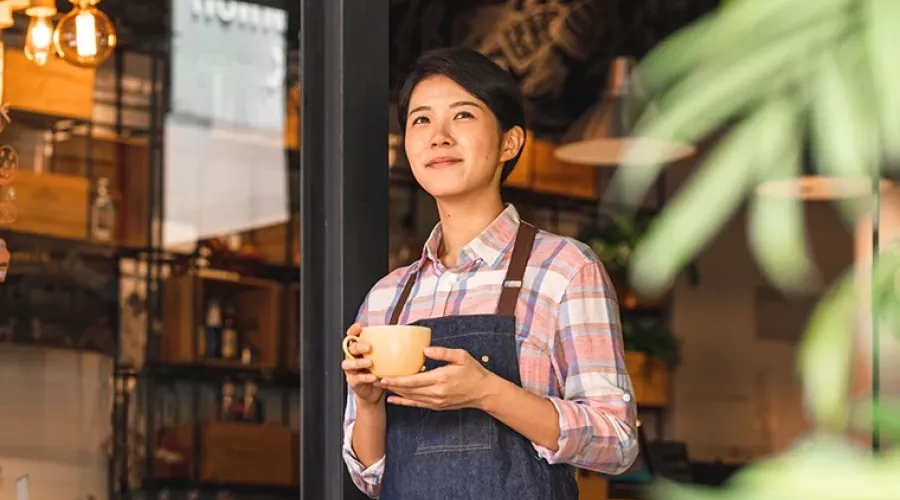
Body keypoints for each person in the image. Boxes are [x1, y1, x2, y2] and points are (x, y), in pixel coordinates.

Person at [341, 47, 638, 499]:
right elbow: (371, 476)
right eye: (421, 120)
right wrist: (367, 402)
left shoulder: (564, 270)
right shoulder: (387, 297)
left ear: (509, 142)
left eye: (462, 115)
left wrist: (486, 393)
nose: (438, 136)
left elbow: (616, 441)